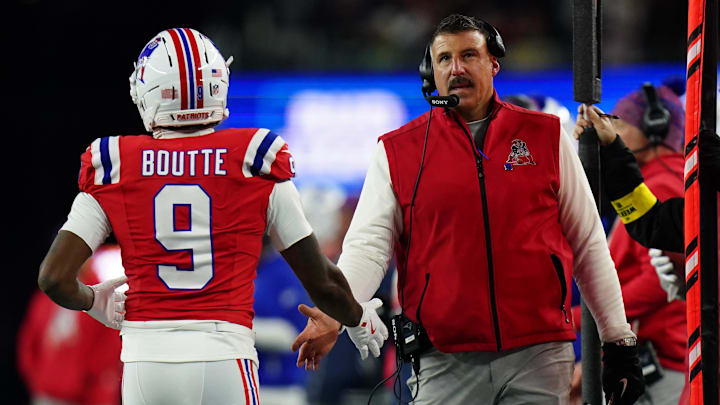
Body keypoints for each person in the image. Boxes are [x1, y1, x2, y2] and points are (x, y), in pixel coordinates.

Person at [292, 14, 644, 405]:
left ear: (494, 63)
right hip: (443, 360)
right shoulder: (397, 150)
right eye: (444, 59)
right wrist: (333, 313)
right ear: (432, 71)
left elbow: (589, 245)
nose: (456, 68)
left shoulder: (546, 136)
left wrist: (619, 340)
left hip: (539, 355)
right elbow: (367, 249)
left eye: (469, 55)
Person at [36, 28, 388, 405]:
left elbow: (54, 278)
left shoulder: (114, 164)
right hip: (224, 356)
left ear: (147, 92)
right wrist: (356, 316)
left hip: (145, 363)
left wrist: (92, 300)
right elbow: (324, 284)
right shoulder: (255, 158)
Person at [573, 84, 688, 405]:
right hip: (657, 358)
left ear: (653, 126)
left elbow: (658, 279)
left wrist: (586, 314)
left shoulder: (663, 182)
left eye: (620, 122)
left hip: (661, 364)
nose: (613, 129)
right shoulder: (663, 178)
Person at [19, 244, 123, 405]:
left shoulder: (102, 298)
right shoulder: (45, 297)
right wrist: (39, 379)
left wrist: (86, 382)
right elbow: (29, 341)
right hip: (48, 393)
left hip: (88, 396)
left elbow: (109, 353)